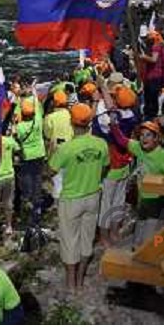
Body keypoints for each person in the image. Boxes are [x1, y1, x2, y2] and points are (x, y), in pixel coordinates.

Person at [49, 104, 109, 290]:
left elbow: (51, 170)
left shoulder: (67, 148)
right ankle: (81, 280)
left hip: (71, 199)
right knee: (86, 239)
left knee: (69, 241)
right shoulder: (101, 144)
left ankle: (71, 283)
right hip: (93, 196)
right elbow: (106, 166)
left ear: (71, 123)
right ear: (90, 122)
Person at [110, 120, 164, 249]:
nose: (144, 138)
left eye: (148, 135)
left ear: (157, 138)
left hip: (157, 206)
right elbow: (121, 140)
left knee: (148, 243)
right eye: (141, 135)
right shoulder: (139, 149)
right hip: (142, 204)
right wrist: (113, 122)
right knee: (138, 241)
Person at [93, 83, 139, 246]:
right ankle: (115, 232)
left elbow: (98, 123)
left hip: (111, 167)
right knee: (119, 201)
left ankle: (104, 236)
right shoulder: (131, 116)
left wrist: (100, 95)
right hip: (125, 165)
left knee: (106, 203)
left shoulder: (111, 120)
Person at [14, 98, 46, 224]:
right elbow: (38, 108)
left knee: (27, 183)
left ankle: (28, 209)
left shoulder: (20, 127)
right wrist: (33, 92)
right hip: (40, 154)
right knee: (38, 179)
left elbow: (16, 137)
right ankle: (37, 210)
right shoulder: (38, 121)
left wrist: (17, 101)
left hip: (27, 157)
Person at [140, 31, 164, 119]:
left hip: (154, 77)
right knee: (152, 99)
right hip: (156, 76)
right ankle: (150, 117)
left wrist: (142, 56)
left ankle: (150, 118)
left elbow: (153, 59)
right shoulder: (162, 46)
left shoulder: (156, 46)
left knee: (151, 99)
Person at [43, 90, 74, 157]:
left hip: (55, 153)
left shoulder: (49, 117)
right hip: (71, 150)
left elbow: (47, 136)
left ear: (53, 102)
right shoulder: (72, 115)